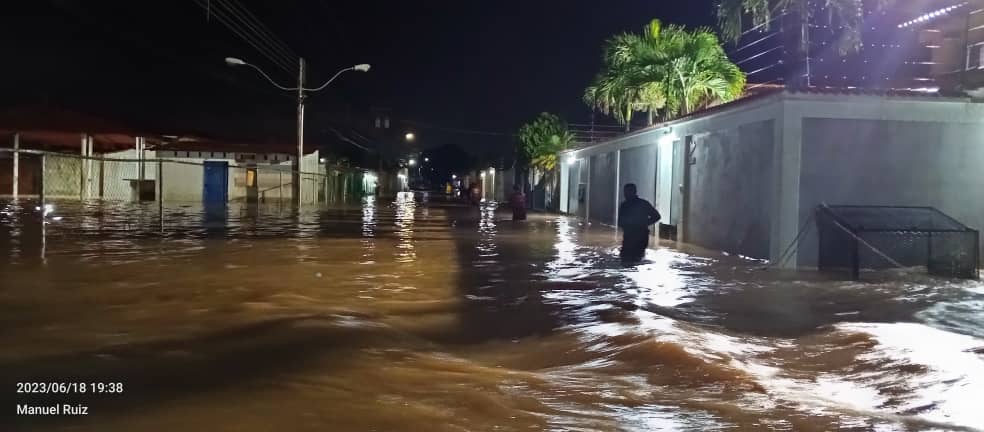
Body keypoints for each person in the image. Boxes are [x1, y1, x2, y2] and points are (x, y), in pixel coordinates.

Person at [617, 183, 661, 263]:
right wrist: (644, 223)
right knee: (637, 258)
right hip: (637, 236)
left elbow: (620, 222)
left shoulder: (625, 205)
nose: (625, 194)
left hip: (634, 237)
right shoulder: (642, 203)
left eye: (627, 192)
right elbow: (656, 216)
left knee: (627, 259)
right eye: (625, 192)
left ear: (633, 192)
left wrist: (642, 224)